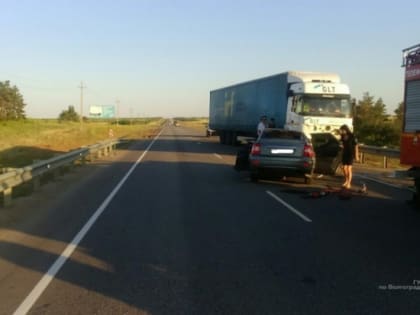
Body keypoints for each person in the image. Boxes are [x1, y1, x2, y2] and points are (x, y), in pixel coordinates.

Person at [339, 124, 359, 189]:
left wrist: (356, 155)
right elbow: (341, 143)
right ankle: (346, 180)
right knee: (344, 168)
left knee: (349, 168)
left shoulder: (352, 136)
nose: (341, 131)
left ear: (345, 129)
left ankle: (349, 183)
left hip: (351, 153)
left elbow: (356, 145)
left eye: (342, 130)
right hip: (345, 153)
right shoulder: (342, 136)